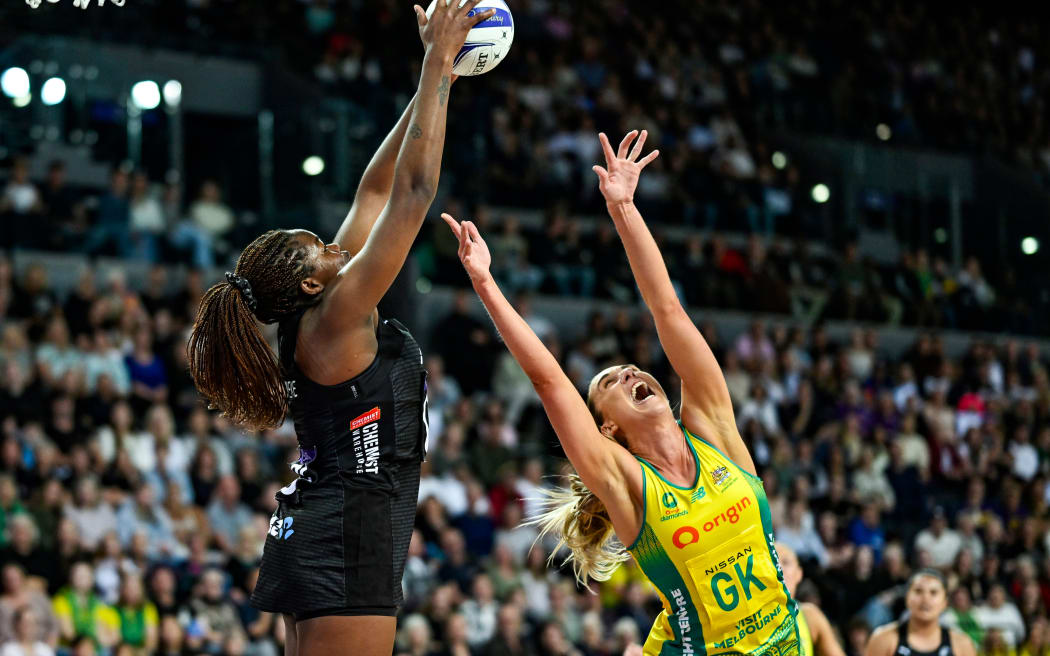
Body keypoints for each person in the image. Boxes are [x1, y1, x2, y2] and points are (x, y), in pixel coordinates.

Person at [185, 3, 494, 655]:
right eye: (319, 247)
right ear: (308, 283)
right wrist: (438, 63)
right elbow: (412, 196)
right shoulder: (338, 314)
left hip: (329, 523)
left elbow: (375, 194)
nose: (335, 246)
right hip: (348, 534)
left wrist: (434, 80)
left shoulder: (321, 306)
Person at [441, 129, 799, 656]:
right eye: (610, 381)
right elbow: (548, 381)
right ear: (607, 426)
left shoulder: (715, 430)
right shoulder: (625, 480)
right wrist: (488, 287)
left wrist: (625, 209)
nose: (631, 373)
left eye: (632, 370)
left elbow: (667, 310)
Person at [863, 570, 976, 656]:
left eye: (933, 592)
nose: (925, 599)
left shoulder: (961, 644)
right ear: (907, 598)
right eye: (918, 591)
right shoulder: (883, 639)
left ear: (945, 602)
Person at [777, 543, 846, 656]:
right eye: (773, 562)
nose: (779, 567)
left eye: (786, 562)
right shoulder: (747, 618)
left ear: (799, 574)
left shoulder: (810, 616)